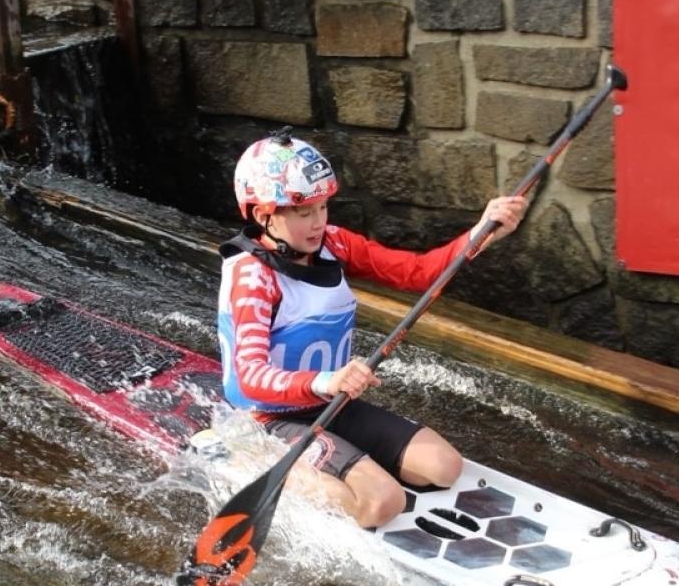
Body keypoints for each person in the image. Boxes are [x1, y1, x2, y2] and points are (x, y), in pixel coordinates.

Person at [216, 133, 529, 528]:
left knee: (444, 467)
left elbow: (416, 272)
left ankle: (343, 461)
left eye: (323, 206)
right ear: (263, 214)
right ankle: (255, 459)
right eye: (303, 212)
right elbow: (249, 379)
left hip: (330, 402)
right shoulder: (251, 276)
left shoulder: (333, 244)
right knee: (383, 502)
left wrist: (482, 232)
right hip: (271, 419)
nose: (318, 222)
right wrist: (328, 380)